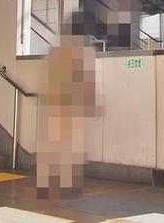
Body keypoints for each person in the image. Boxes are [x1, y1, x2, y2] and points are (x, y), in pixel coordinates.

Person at [37, 12, 97, 200]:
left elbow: (50, 80)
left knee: (57, 146)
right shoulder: (83, 52)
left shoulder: (56, 51)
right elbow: (86, 81)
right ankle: (68, 184)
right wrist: (91, 103)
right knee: (71, 147)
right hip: (72, 107)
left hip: (56, 106)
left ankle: (52, 184)